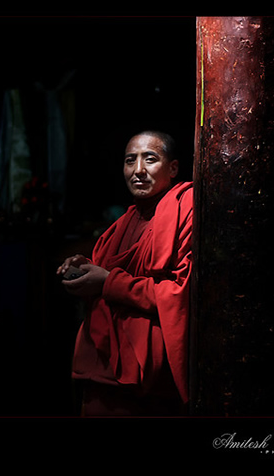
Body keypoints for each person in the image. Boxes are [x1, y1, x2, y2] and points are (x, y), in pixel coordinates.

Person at [57, 130, 193, 416]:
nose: (138, 170)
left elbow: (178, 293)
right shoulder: (122, 224)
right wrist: (83, 269)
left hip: (148, 378)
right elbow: (103, 274)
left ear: (174, 168)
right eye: (130, 160)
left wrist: (107, 281)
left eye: (150, 159)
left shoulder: (185, 209)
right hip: (98, 363)